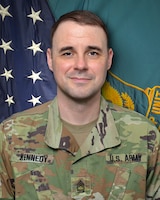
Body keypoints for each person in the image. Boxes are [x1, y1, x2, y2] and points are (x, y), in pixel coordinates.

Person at [0, 10, 159, 200]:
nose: (80, 64)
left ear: (108, 59)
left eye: (92, 53)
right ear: (50, 59)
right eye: (68, 53)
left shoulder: (145, 137)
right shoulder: (10, 136)